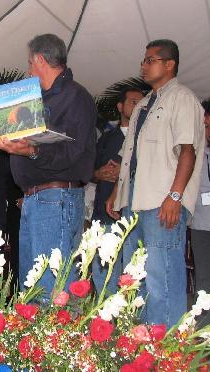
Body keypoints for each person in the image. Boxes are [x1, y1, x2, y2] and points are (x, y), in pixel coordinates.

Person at [106, 39, 204, 328]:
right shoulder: (144, 104)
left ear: (169, 64)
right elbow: (129, 158)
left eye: (150, 60)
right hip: (133, 198)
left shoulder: (183, 98)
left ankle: (166, 346)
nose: (143, 65)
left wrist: (175, 196)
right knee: (134, 274)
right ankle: (140, 341)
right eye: (144, 60)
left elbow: (188, 151)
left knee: (162, 272)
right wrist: (116, 193)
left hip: (162, 199)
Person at [0, 34, 97, 295]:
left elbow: (72, 152)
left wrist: (31, 150)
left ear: (40, 59)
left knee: (52, 287)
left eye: (29, 63)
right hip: (32, 199)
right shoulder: (35, 101)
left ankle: (57, 336)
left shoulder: (76, 97)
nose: (28, 70)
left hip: (56, 196)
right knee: (32, 285)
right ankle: (36, 336)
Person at [92, 88, 143, 295]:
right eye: (133, 101)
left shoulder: (145, 137)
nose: (138, 106)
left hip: (135, 212)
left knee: (132, 268)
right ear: (120, 107)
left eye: (141, 102)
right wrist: (99, 173)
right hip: (106, 211)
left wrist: (124, 171)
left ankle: (129, 318)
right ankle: (105, 315)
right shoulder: (105, 138)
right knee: (103, 267)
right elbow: (88, 171)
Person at [190, 100, 210, 326]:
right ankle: (203, 332)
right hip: (201, 224)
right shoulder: (195, 152)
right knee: (204, 277)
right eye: (204, 125)